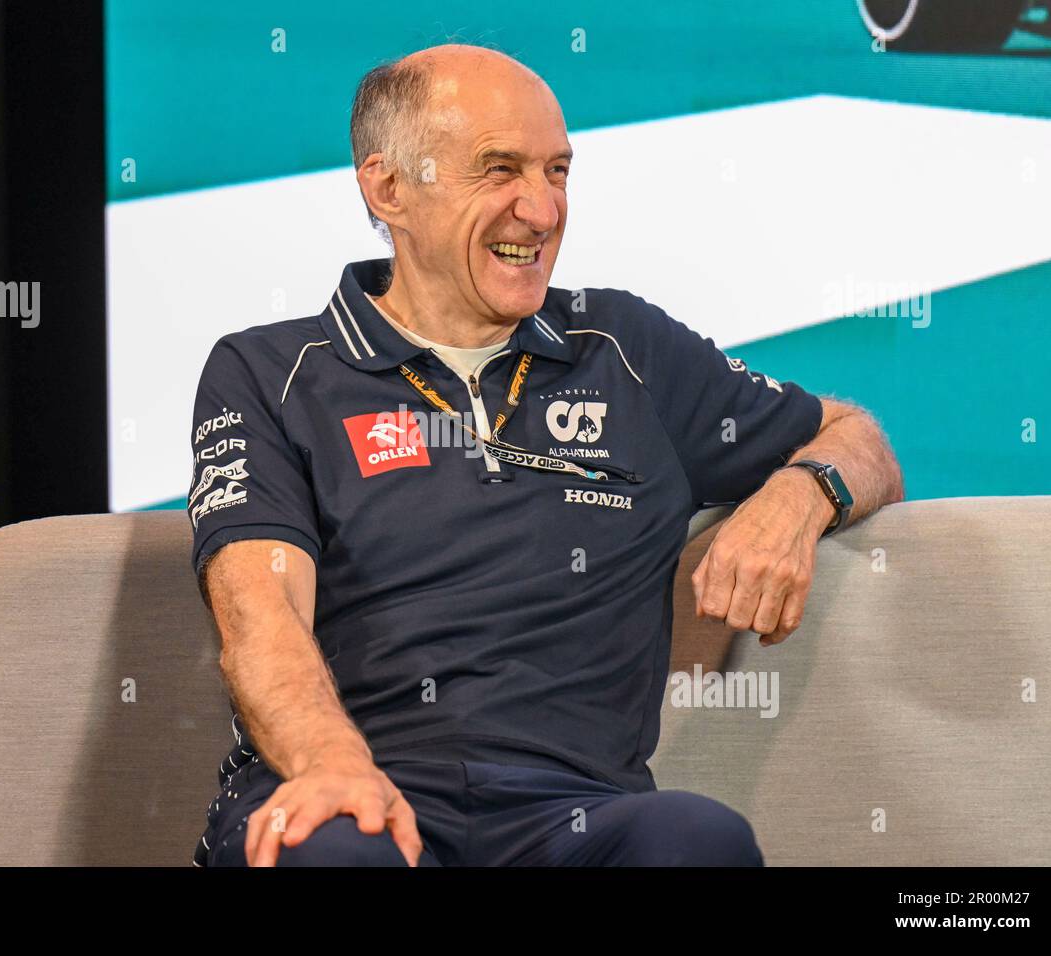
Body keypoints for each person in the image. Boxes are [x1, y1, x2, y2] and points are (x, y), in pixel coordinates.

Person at [187, 44, 904, 866]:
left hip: (575, 815)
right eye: (499, 170)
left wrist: (798, 497)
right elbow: (259, 616)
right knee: (343, 855)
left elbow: (858, 439)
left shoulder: (624, 347)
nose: (541, 209)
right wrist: (335, 768)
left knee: (699, 840)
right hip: (351, 793)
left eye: (557, 171)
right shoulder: (272, 372)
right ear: (389, 189)